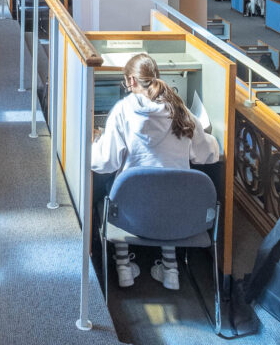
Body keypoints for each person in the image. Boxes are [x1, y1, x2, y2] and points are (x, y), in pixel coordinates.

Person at [91, 52, 219, 291]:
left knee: (116, 189)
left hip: (132, 214)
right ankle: (171, 270)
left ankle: (123, 268)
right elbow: (206, 154)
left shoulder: (122, 110)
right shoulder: (180, 110)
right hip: (177, 215)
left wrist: (94, 144)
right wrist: (211, 140)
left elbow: (104, 162)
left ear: (131, 81)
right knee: (167, 194)